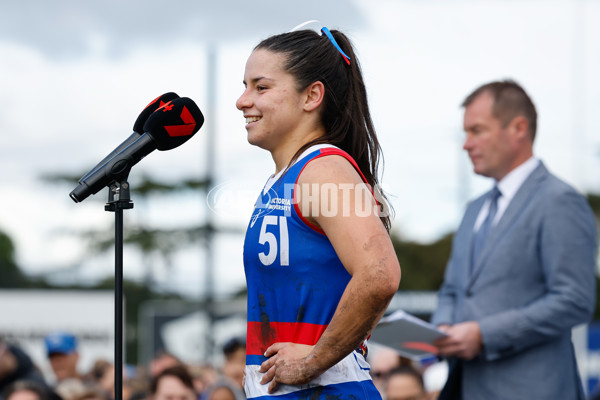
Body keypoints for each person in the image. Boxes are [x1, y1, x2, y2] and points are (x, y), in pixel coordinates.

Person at [236, 25, 401, 399]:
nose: (242, 101)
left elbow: (380, 274)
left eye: (261, 87)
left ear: (312, 96)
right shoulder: (286, 177)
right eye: (245, 86)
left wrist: (313, 360)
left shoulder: (323, 169)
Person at [431, 80, 597, 399]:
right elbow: (453, 289)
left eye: (476, 130)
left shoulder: (559, 200)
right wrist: (441, 328)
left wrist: (483, 334)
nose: (466, 144)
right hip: (465, 387)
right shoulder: (473, 210)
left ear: (518, 128)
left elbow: (574, 300)